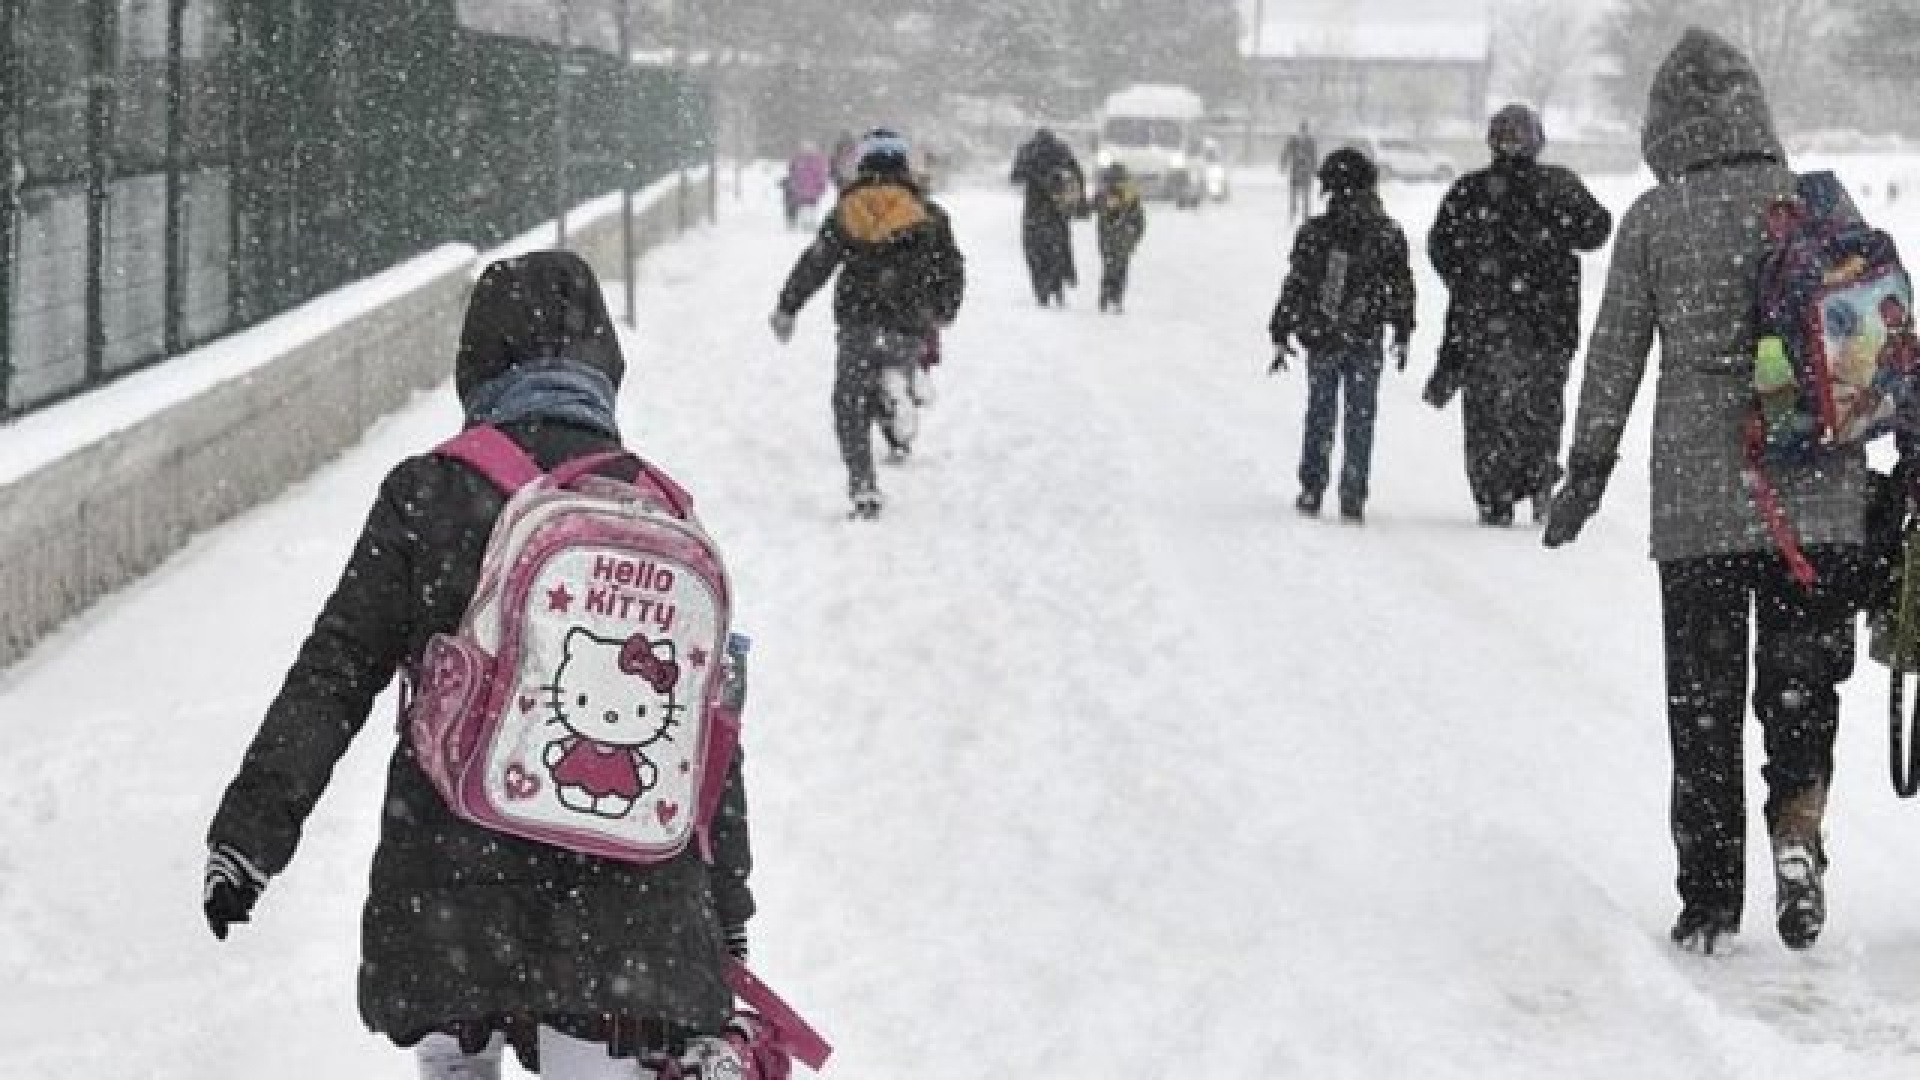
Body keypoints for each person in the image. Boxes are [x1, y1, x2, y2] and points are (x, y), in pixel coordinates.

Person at [202, 251, 757, 1078]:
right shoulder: (660, 511)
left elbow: (336, 671)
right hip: (627, 908)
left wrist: (250, 837)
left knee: (458, 1060)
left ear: (477, 362)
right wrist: (726, 904)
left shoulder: (428, 493)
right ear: (605, 364)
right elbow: (705, 737)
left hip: (452, 882)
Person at [1542, 27, 1872, 955]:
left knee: (1705, 704)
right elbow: (1874, 343)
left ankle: (1710, 898)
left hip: (1699, 511)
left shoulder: (1656, 217)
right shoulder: (1813, 205)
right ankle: (1798, 826)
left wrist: (1586, 474)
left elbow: (1612, 361)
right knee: (1802, 686)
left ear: (1664, 123)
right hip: (1818, 500)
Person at [1426, 103, 1613, 527]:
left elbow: (1441, 247)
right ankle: (1540, 476)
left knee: (1486, 411)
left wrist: (1467, 278)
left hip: (1483, 322)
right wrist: (1555, 232)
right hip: (1548, 323)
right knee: (1542, 406)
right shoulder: (1558, 186)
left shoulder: (1469, 192)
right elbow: (1598, 229)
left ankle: (1494, 493)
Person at [770, 129, 966, 519]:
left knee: (849, 401)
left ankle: (863, 485)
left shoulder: (846, 212)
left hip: (858, 322)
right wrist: (943, 310)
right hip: (909, 323)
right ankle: (902, 393)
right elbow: (951, 269)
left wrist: (788, 307)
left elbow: (816, 263)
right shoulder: (930, 216)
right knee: (897, 367)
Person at [1268, 147, 1415, 524]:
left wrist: (1282, 327)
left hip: (1322, 335)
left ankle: (1312, 486)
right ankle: (1352, 491)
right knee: (1360, 417)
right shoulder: (1387, 233)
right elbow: (1402, 286)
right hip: (1366, 336)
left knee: (1320, 412)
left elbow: (1296, 284)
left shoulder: (1316, 232)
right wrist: (1402, 328)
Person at [1010, 127, 1085, 307]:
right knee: (1058, 248)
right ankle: (1057, 285)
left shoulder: (1028, 150)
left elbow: (1015, 177)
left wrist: (1033, 176)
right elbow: (1078, 174)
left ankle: (1042, 291)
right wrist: (1077, 199)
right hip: (1057, 208)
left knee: (1034, 251)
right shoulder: (1061, 149)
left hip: (1034, 209)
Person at [1093, 162, 1146, 313]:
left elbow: (1094, 207)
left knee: (1109, 266)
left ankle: (1106, 295)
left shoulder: (1104, 193)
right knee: (1121, 268)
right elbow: (1139, 219)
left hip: (1108, 237)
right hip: (1124, 238)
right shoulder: (1130, 194)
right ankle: (1116, 298)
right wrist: (1135, 237)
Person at [783, 142, 831, 230]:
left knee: (803, 207)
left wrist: (794, 185)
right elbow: (822, 176)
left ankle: (803, 223)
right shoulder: (819, 160)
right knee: (811, 208)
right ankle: (809, 223)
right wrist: (822, 188)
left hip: (801, 191)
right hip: (812, 192)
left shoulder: (799, 159)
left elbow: (792, 172)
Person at [1280, 120, 1319, 225]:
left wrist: (1315, 170)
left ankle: (1306, 217)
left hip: (1306, 173)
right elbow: (1285, 153)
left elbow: (1314, 156)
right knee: (1293, 196)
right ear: (1299, 130)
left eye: (1305, 130)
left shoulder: (1311, 142)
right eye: (1302, 130)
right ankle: (1292, 215)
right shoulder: (1292, 140)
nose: (1303, 133)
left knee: (1306, 196)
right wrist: (1283, 165)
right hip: (1295, 172)